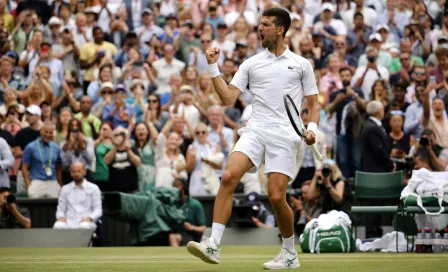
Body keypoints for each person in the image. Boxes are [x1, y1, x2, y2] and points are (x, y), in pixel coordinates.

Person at [187, 8, 319, 270]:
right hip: (256, 129)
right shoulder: (251, 64)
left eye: (266, 25)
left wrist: (312, 127)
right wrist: (212, 66)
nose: (260, 29)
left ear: (280, 29)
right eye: (259, 24)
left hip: (285, 134)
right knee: (228, 177)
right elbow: (227, 99)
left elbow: (313, 103)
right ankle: (213, 244)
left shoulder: (302, 64)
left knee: (276, 196)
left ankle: (289, 253)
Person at [53, 162, 102, 230]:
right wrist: (61, 217)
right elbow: (60, 209)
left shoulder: (94, 188)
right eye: (74, 172)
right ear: (70, 173)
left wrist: (90, 218)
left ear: (84, 172)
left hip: (86, 221)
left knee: (84, 226)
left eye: (79, 171)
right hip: (69, 221)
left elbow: (98, 210)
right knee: (58, 226)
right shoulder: (65, 189)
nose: (76, 174)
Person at [22, 121, 63, 199]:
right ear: (41, 131)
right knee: (35, 209)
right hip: (37, 181)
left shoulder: (56, 148)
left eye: (50, 133)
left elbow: (59, 168)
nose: (48, 135)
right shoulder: (30, 147)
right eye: (46, 132)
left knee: (54, 208)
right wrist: (29, 185)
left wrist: (59, 184)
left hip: (53, 182)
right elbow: (24, 167)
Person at [169, 178, 206, 247]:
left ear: (183, 188)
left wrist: (191, 227)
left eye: (177, 189)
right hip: (177, 233)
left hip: (191, 237)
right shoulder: (173, 204)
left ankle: (175, 256)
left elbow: (203, 228)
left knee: (172, 237)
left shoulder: (195, 205)